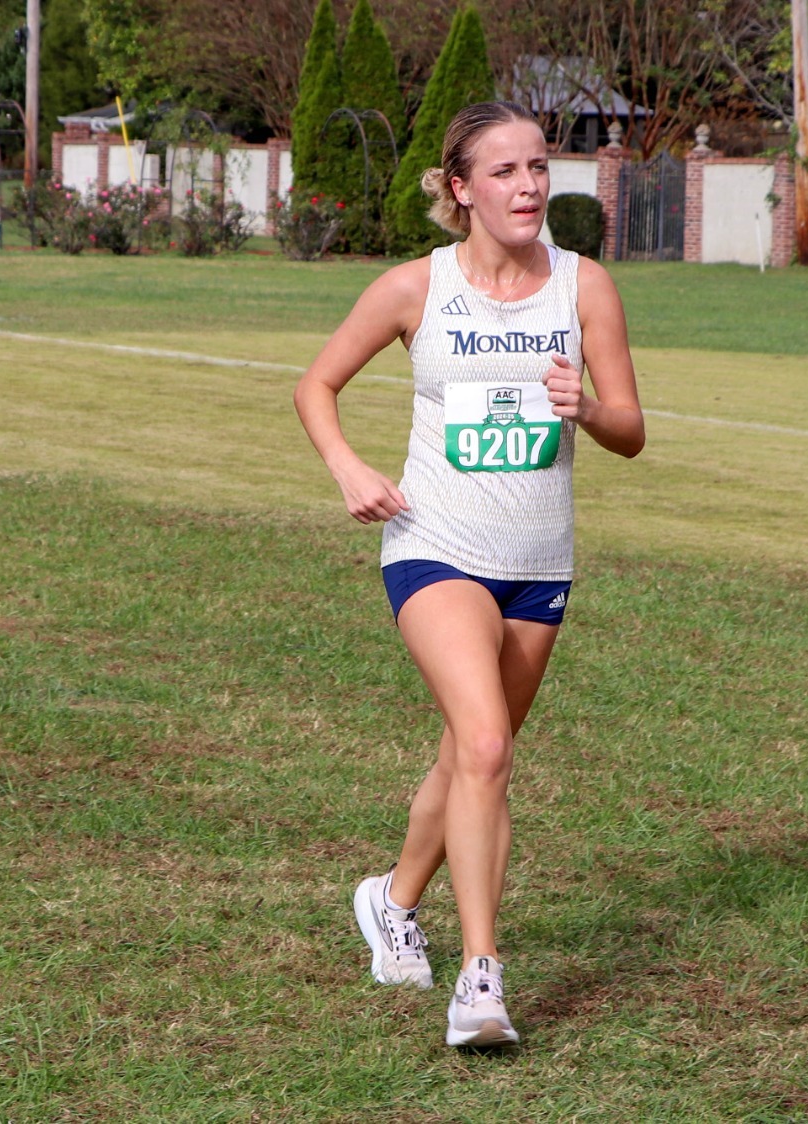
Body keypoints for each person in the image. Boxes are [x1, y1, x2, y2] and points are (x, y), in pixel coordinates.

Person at [293, 101, 645, 1048]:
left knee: (464, 759)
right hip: (433, 544)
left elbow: (633, 432)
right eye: (504, 172)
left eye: (539, 167)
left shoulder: (585, 287)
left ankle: (393, 899)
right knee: (487, 746)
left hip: (539, 565)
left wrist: (588, 407)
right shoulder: (416, 289)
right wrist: (351, 469)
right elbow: (313, 385)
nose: (529, 186)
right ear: (460, 189)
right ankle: (481, 977)